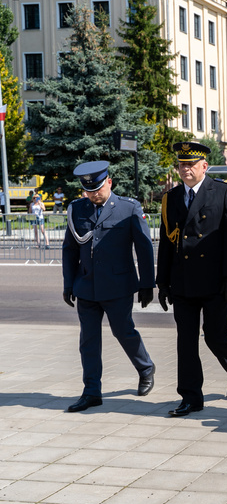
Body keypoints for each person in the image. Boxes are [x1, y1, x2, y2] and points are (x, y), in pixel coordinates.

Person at [156, 142, 227, 417]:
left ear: (204, 166)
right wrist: (162, 282)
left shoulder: (222, 192)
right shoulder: (170, 198)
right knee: (186, 341)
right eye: (182, 165)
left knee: (216, 337)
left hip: (215, 282)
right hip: (183, 282)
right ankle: (191, 397)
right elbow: (165, 242)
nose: (185, 169)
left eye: (191, 165)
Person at [61, 161, 156, 412]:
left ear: (109, 182)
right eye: (88, 190)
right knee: (88, 340)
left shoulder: (128, 208)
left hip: (118, 285)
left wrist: (147, 283)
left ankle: (145, 368)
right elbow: (70, 249)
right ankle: (91, 391)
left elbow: (144, 249)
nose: (93, 194)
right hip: (87, 287)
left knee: (123, 331)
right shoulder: (77, 210)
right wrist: (68, 283)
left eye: (98, 189)